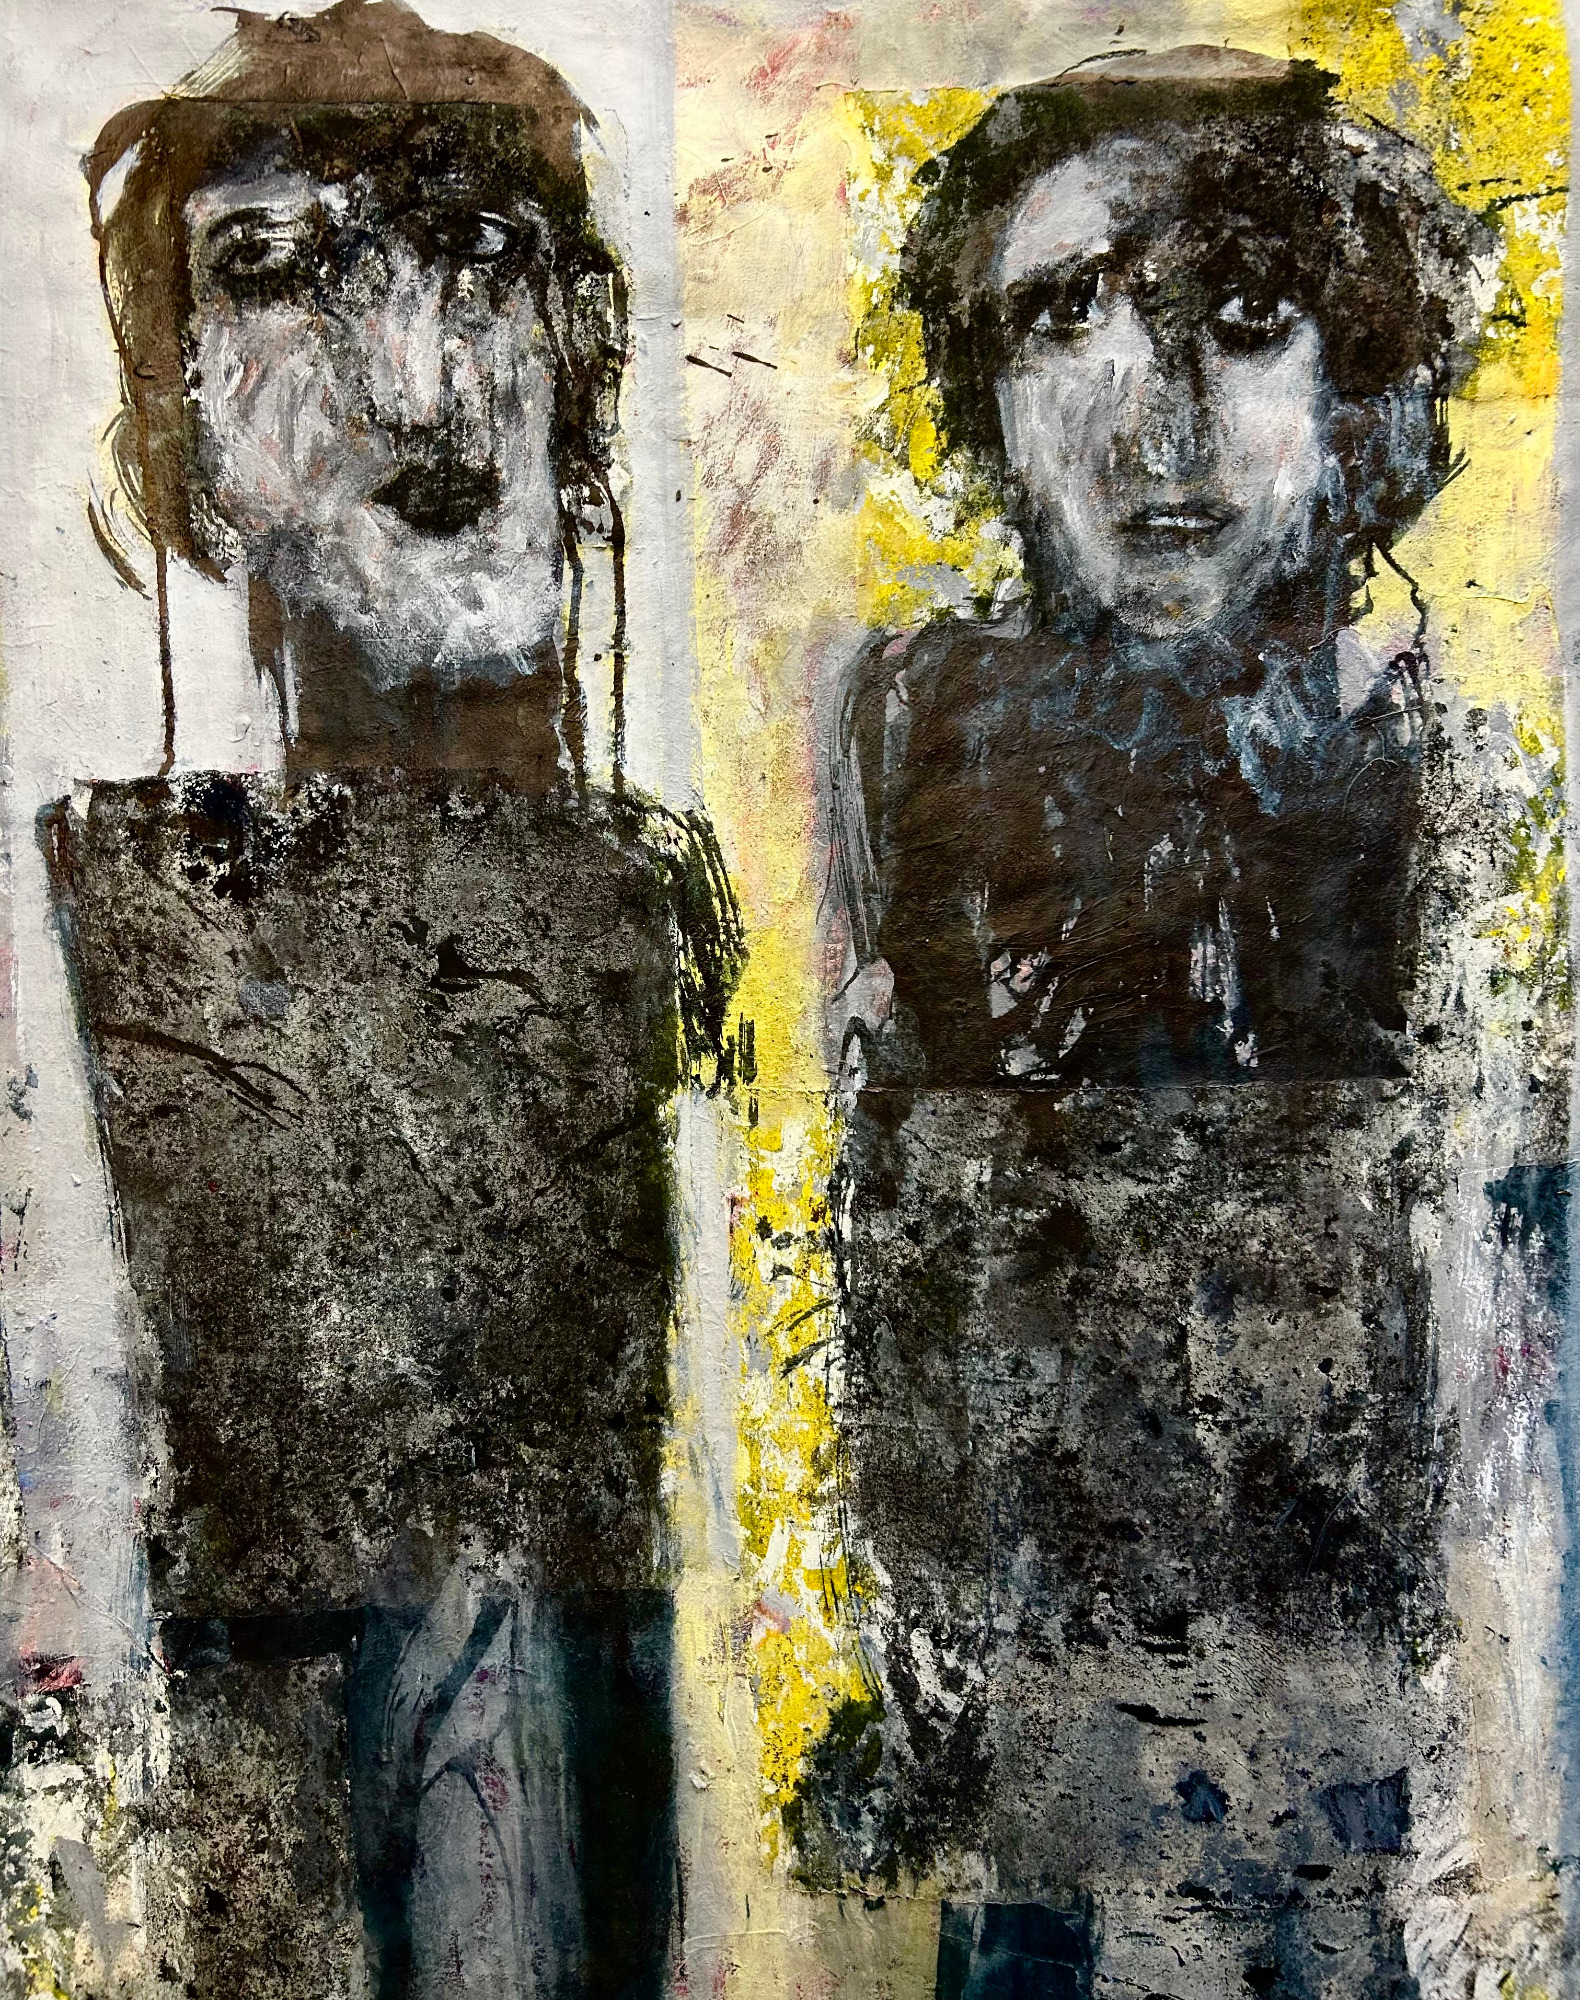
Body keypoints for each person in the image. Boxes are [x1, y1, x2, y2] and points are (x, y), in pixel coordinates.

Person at [809, 47, 1556, 1999]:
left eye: (1239, 318)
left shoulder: (1446, 788)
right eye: (1068, 316)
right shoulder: (905, 746)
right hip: (1038, 1748)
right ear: (982, 388)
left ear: (1358, 382)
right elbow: (876, 1252)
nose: (1156, 422)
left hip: (1354, 1742)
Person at [41, 4, 742, 1994]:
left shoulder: (662, 913)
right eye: (277, 270)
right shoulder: (121, 928)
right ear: (176, 417)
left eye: (478, 253)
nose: (412, 370)